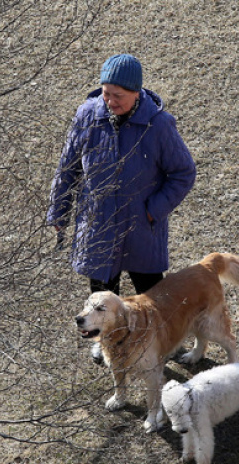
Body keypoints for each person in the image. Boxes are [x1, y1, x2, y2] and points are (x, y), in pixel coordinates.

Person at [48, 54, 196, 297]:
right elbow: (67, 167)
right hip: (97, 228)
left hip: (141, 230)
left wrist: (153, 210)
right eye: (106, 93)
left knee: (154, 307)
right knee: (103, 312)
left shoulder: (158, 125)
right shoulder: (87, 117)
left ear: (136, 92)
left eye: (119, 96)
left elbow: (184, 173)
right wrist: (58, 212)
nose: (110, 101)